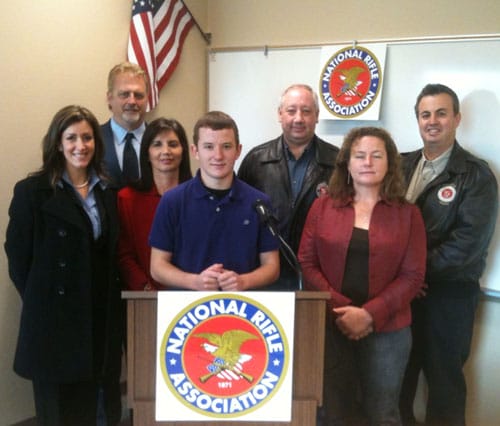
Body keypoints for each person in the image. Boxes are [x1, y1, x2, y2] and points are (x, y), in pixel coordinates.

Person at [298, 126, 427, 425]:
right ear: (347, 163)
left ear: (390, 163)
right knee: (332, 412)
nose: (367, 162)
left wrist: (368, 314)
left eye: (376, 155)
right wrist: (342, 308)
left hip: (389, 331)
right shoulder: (323, 206)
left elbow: (413, 275)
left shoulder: (408, 214)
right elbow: (306, 261)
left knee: (383, 413)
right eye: (359, 155)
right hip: (330, 323)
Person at [4, 105, 124, 425]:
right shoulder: (33, 192)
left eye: (87, 137)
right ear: (58, 143)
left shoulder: (108, 191)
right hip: (52, 326)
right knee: (57, 415)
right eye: (71, 138)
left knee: (92, 409)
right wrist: (43, 300)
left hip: (97, 320)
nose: (80, 145)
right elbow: (18, 258)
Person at [399, 84, 498, 426]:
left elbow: (466, 246)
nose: (433, 121)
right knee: (397, 385)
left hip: (448, 300)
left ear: (457, 118)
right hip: (400, 299)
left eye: (442, 113)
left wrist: (414, 275)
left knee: (444, 392)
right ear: (418, 120)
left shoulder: (477, 175)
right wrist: (404, 282)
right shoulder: (398, 165)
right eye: (425, 114)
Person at [149, 111, 280, 291]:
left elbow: (272, 267)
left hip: (244, 310)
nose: (218, 156)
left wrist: (244, 281)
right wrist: (194, 282)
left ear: (238, 151)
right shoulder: (172, 201)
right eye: (209, 147)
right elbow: (157, 267)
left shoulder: (259, 203)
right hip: (185, 312)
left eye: (226, 146)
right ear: (195, 151)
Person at [238, 83, 339, 290]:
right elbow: (241, 219)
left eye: (306, 111)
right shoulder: (256, 160)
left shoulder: (338, 162)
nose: (298, 119)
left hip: (321, 275)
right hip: (264, 275)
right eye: (291, 111)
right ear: (280, 114)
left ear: (317, 115)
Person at [117, 117, 192, 291]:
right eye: (157, 144)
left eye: (173, 144)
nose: (166, 151)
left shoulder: (199, 196)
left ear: (184, 152)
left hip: (191, 296)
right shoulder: (127, 198)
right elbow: (124, 254)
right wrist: (145, 288)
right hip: (145, 297)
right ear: (147, 153)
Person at [101, 62, 149, 187]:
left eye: (138, 95)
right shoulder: (93, 140)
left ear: (147, 99)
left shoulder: (161, 141)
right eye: (124, 94)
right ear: (109, 98)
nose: (132, 101)